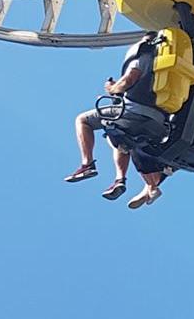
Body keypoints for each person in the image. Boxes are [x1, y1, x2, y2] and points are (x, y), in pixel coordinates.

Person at [66, 32, 173, 209]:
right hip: (159, 122)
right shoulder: (170, 65)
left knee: (83, 120)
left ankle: (87, 164)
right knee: (120, 138)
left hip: (134, 112)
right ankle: (130, 182)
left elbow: (129, 79)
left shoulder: (143, 55)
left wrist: (112, 89)